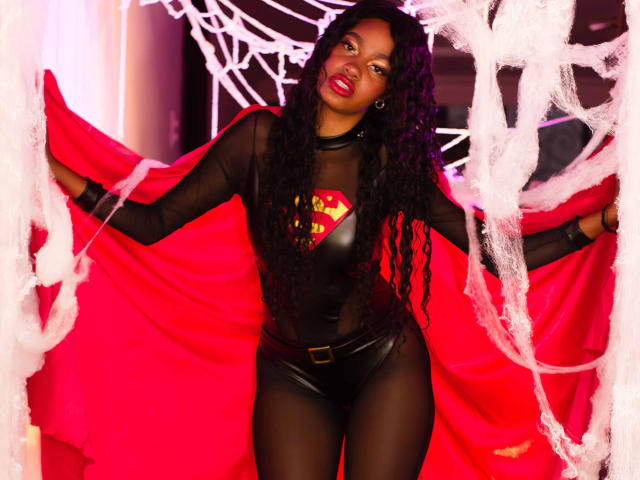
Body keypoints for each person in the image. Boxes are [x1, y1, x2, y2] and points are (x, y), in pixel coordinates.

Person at [46, 1, 618, 478]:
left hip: (383, 365)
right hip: (289, 371)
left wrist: (603, 221)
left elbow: (494, 257)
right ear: (327, 49)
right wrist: (49, 167)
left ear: (387, 93)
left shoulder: (388, 163)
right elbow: (152, 225)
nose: (354, 67)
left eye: (378, 67)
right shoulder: (257, 140)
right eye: (350, 47)